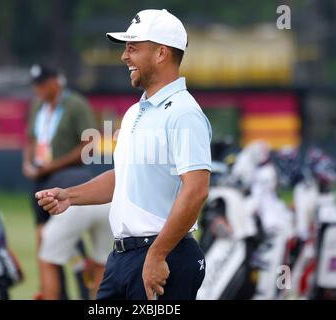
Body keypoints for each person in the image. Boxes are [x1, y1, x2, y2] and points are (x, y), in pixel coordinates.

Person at [36, 9, 212, 300]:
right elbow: (124, 179)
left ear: (161, 53)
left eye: (133, 48)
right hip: (122, 260)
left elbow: (196, 191)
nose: (124, 56)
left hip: (164, 256)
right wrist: (70, 195)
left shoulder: (184, 113)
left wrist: (157, 255)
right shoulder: (135, 112)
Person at [24, 63, 103, 299]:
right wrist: (28, 165)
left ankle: (64, 291)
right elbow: (30, 140)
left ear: (55, 82)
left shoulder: (76, 105)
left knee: (51, 250)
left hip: (69, 185)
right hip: (43, 182)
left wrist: (53, 165)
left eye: (41, 84)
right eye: (35, 84)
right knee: (53, 244)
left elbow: (89, 145)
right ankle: (63, 292)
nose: (37, 89)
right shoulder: (38, 106)